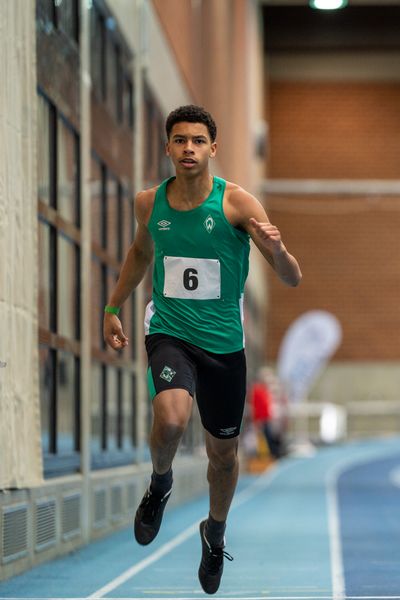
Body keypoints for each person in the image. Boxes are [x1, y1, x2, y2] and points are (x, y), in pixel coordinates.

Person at [103, 105, 302, 594]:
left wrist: (276, 251)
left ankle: (214, 532)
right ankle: (160, 483)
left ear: (213, 148)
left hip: (223, 349)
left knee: (224, 458)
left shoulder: (237, 204)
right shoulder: (149, 204)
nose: (188, 149)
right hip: (170, 331)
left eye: (197, 141)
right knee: (170, 419)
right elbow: (139, 254)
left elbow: (292, 277)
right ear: (167, 147)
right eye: (179, 140)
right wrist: (113, 306)